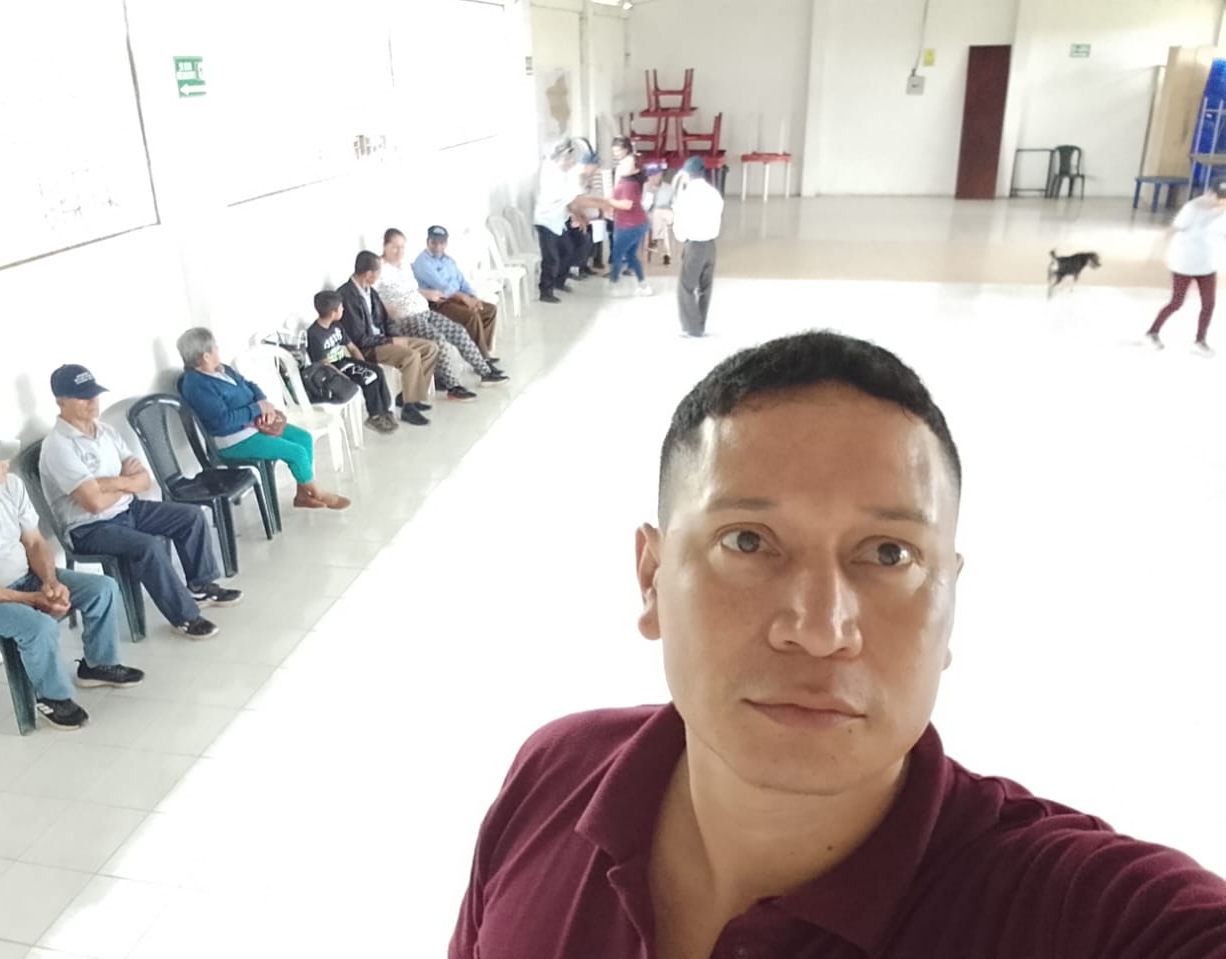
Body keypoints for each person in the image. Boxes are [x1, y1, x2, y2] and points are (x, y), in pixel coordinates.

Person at [449, 331, 1226, 958]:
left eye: (888, 554)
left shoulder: (1077, 912)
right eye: (748, 540)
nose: (819, 629)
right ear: (651, 578)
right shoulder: (555, 776)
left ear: (949, 602)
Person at [0, 428, 144, 731]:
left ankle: (98, 665)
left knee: (101, 588)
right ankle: (53, 698)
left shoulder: (10, 485)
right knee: (38, 626)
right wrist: (31, 599)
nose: (7, 462)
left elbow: (35, 542)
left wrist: (50, 582)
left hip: (25, 578)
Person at [40, 364, 236, 640]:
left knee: (190, 516)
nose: (92, 402)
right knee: (148, 546)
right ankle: (185, 617)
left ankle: (201, 586)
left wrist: (109, 483)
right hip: (89, 528)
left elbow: (144, 480)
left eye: (94, 394)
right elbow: (94, 504)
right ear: (61, 401)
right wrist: (124, 482)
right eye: (83, 397)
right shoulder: (58, 446)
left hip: (126, 509)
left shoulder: (105, 431)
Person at [176, 327, 350, 511]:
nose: (218, 350)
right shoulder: (197, 385)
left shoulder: (222, 369)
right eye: (215, 348)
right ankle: (318, 493)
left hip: (257, 425)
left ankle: (302, 495)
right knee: (297, 453)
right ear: (206, 356)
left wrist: (263, 402)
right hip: (235, 440)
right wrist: (257, 409)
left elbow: (250, 385)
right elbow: (222, 422)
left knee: (303, 438)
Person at [377, 229, 508, 399]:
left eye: (402, 247)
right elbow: (372, 298)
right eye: (395, 247)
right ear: (385, 246)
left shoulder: (403, 266)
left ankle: (485, 371)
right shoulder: (379, 268)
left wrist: (427, 293)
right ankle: (452, 386)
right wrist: (389, 310)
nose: (399, 251)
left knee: (458, 331)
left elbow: (412, 290)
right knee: (438, 339)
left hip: (423, 310)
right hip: (405, 319)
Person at [336, 251, 437, 425]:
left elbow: (386, 320)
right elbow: (359, 339)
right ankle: (409, 409)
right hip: (369, 348)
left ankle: (408, 397)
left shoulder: (371, 292)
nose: (379, 276)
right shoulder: (347, 297)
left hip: (383, 339)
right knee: (411, 356)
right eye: (378, 272)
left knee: (430, 348)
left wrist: (396, 337)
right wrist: (390, 341)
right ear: (369, 274)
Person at [1145, 180, 1226, 357]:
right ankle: (1152, 333)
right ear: (1210, 193)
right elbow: (1171, 230)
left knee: (1209, 304)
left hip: (1207, 265)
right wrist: (1157, 252)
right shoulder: (1193, 208)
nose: (1222, 202)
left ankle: (1200, 341)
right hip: (1184, 265)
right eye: (1219, 198)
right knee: (1177, 303)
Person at [306, 291, 398, 434]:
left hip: (345, 361)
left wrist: (363, 364)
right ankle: (374, 416)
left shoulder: (337, 326)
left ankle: (385, 411)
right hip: (333, 369)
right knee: (368, 378)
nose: (343, 309)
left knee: (377, 371)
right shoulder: (314, 334)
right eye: (341, 307)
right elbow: (324, 363)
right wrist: (344, 377)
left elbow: (352, 347)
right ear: (333, 313)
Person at [411, 225, 499, 362]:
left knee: (489, 310)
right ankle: (482, 360)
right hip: (439, 303)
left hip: (458, 299)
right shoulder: (422, 262)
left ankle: (483, 353)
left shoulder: (449, 261)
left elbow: (462, 281)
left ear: (446, 243)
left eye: (441, 243)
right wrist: (464, 298)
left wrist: (473, 297)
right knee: (471, 317)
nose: (438, 247)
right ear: (428, 242)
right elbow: (442, 287)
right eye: (434, 242)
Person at [671, 156, 725, 338]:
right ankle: (700, 324)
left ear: (687, 174)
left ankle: (692, 328)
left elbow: (679, 221)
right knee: (705, 287)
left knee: (686, 287)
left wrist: (680, 238)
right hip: (711, 246)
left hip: (694, 246)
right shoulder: (714, 194)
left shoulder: (686, 196)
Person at [533, 141, 580, 303]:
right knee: (551, 259)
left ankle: (559, 282)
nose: (570, 162)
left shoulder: (562, 173)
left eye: (571, 158)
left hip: (558, 221)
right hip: (546, 222)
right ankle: (545, 292)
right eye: (567, 159)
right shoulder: (551, 175)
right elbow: (570, 200)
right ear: (557, 159)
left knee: (568, 251)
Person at [605, 141, 652, 297]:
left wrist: (607, 202)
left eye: (627, 164)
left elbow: (627, 204)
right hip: (631, 223)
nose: (622, 165)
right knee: (630, 255)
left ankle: (613, 285)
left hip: (630, 225)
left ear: (635, 168)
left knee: (617, 255)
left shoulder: (630, 184)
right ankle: (643, 285)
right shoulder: (626, 181)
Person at [642, 162, 676, 265]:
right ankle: (667, 254)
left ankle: (655, 241)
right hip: (652, 216)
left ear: (660, 174)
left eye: (655, 175)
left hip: (667, 213)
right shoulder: (646, 187)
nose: (653, 178)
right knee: (663, 225)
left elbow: (675, 203)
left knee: (660, 215)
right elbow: (645, 207)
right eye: (650, 175)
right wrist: (650, 193)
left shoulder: (669, 188)